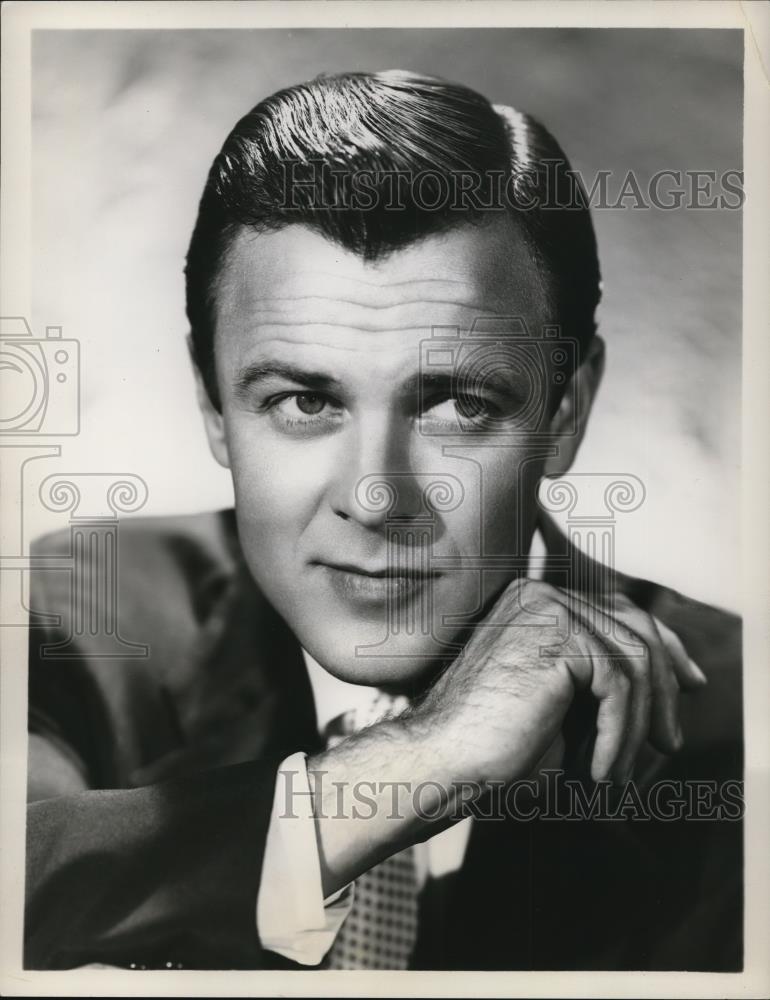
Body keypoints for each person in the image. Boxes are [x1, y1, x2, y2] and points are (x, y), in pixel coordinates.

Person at [24, 71, 742, 972]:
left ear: (566, 411)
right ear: (212, 403)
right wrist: (419, 761)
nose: (374, 496)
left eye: (458, 405)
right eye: (301, 400)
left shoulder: (739, 728)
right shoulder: (87, 613)